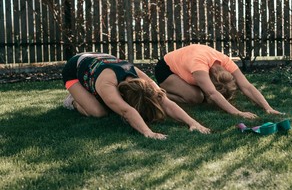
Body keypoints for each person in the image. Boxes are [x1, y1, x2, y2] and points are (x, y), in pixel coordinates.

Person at [62, 52, 210, 139]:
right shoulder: (107, 84)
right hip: (74, 68)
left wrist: (193, 123)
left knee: (110, 104)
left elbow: (163, 99)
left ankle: (89, 95)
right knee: (98, 112)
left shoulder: (139, 75)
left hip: (102, 59)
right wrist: (148, 133)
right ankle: (74, 100)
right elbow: (127, 111)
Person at [154, 44, 282, 119]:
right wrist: (237, 112)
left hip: (186, 64)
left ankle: (183, 87)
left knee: (202, 95)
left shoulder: (226, 62)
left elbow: (246, 86)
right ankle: (157, 93)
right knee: (196, 97)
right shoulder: (199, 66)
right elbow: (212, 93)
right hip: (166, 69)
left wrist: (268, 108)